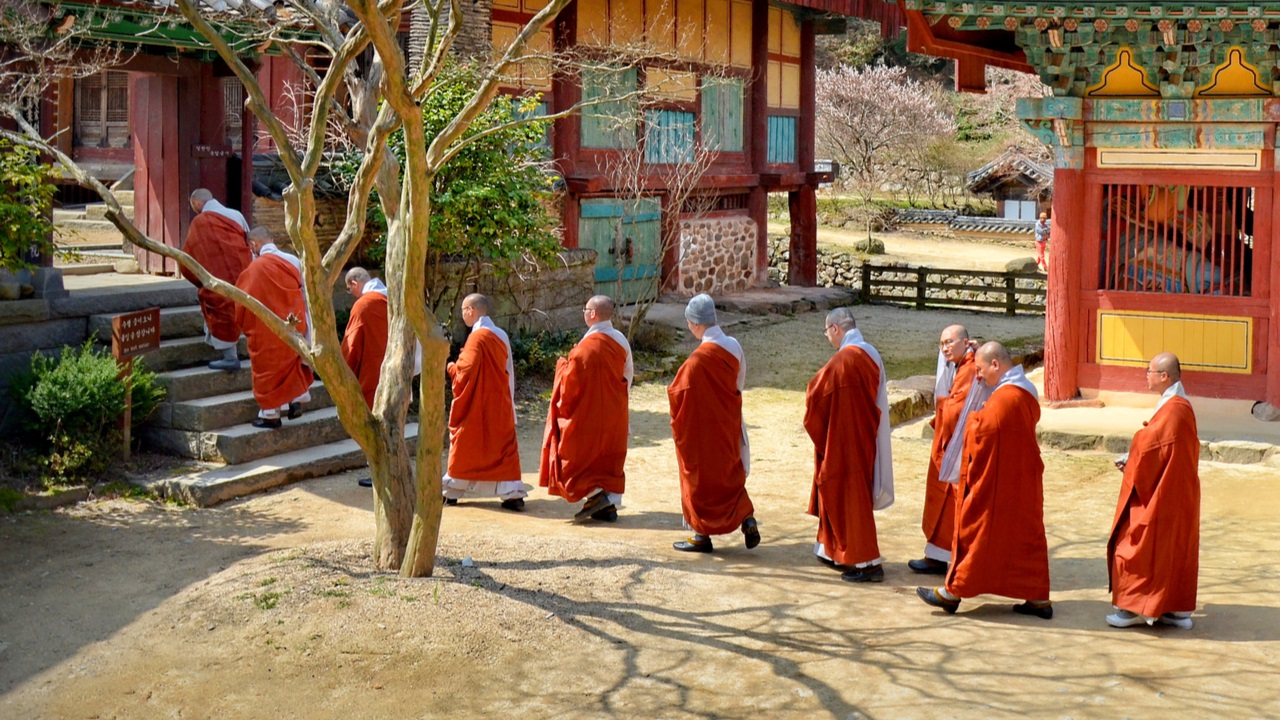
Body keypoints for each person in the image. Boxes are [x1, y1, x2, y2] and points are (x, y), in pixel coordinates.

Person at [917, 341, 1053, 619]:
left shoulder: (1006, 398)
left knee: (975, 529)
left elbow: (983, 433)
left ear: (995, 365)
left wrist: (972, 421)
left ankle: (954, 590)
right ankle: (1037, 597)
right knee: (1025, 536)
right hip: (1021, 479)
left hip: (998, 482)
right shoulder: (1024, 389)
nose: (977, 375)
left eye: (979, 369)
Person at [1106, 352, 1200, 630]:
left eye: (1149, 371)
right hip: (1174, 489)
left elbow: (1151, 446)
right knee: (1173, 547)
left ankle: (1133, 607)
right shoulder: (1176, 405)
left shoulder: (1175, 409)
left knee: (1135, 543)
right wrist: (1133, 456)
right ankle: (1174, 608)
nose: (1145, 375)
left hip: (1164, 493)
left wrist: (1132, 458)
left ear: (1164, 377)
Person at [803, 307, 894, 582]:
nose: (828, 338)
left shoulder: (845, 359)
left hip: (846, 439)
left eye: (827, 332)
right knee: (848, 492)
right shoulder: (870, 353)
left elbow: (816, 395)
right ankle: (834, 550)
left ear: (835, 329)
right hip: (863, 433)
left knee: (848, 494)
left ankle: (867, 562)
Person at [667, 293, 759, 553]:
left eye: (688, 323)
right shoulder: (733, 346)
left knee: (700, 479)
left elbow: (678, 395)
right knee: (730, 472)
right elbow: (739, 384)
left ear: (696, 324)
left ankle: (700, 534)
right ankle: (746, 517)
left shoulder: (695, 361)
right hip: (729, 422)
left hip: (703, 430)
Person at [539, 295, 633, 523]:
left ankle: (596, 496)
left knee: (577, 459)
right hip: (614, 411)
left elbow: (569, 385)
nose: (584, 313)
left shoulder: (583, 348)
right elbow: (627, 376)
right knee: (606, 458)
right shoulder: (621, 341)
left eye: (585, 309)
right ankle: (605, 506)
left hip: (585, 415)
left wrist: (562, 365)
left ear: (593, 314)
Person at [908, 324, 987, 576]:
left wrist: (941, 406)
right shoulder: (959, 364)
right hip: (948, 440)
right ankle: (936, 554)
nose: (945, 348)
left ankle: (952, 557)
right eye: (941, 344)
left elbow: (957, 409)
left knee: (953, 501)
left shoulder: (971, 366)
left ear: (965, 342)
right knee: (940, 498)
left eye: (950, 342)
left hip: (959, 444)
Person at [442, 293, 526, 510]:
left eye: (463, 311)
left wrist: (450, 366)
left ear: (471, 310)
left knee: (465, 445)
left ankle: (452, 491)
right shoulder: (501, 334)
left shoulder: (477, 337)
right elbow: (508, 370)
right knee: (503, 448)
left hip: (476, 403)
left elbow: (465, 370)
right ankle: (512, 493)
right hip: (499, 400)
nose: (462, 315)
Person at [234, 226, 313, 429]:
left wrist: (243, 323)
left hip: (267, 328)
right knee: (291, 363)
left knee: (267, 369)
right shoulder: (293, 261)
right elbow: (305, 293)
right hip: (294, 322)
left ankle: (271, 414)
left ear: (254, 244)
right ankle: (295, 399)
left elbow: (243, 302)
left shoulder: (254, 269)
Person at [181, 189, 252, 371]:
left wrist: (198, 278)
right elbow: (248, 243)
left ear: (196, 202)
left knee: (219, 306)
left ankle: (230, 358)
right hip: (243, 276)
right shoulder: (236, 215)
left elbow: (190, 256)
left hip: (216, 278)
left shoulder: (199, 222)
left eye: (193, 205)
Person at [341, 267, 389, 409]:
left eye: (350, 290)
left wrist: (341, 369)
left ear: (354, 284)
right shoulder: (392, 297)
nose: (353, 295)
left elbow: (351, 345)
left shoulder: (363, 305)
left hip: (372, 372)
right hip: (399, 368)